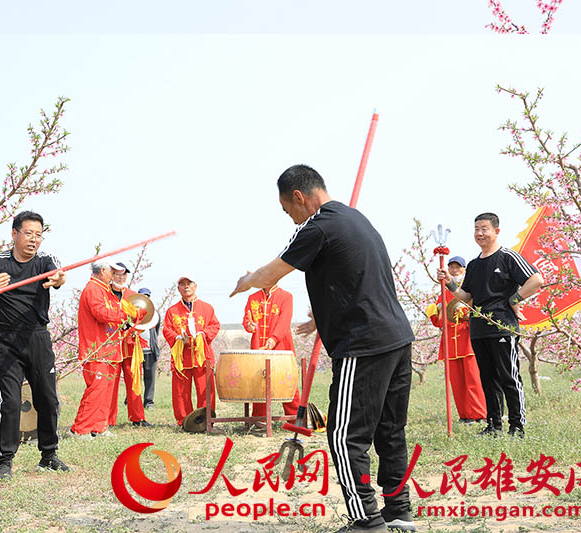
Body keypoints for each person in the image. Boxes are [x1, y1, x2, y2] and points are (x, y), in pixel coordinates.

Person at [231, 165, 416, 533]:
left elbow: (270, 275)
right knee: (389, 430)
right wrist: (321, 319)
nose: (291, 219)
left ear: (298, 197)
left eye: (288, 211)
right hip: (396, 338)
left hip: (362, 345)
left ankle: (367, 521)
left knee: (345, 436)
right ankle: (398, 511)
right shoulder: (354, 219)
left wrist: (246, 280)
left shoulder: (317, 227)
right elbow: (359, 279)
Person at [0, 210, 68, 480]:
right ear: (14, 234)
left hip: (38, 337)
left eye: (38, 235)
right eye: (28, 233)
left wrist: (59, 279)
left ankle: (48, 455)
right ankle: (5, 460)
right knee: (10, 401)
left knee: (47, 398)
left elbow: (59, 276)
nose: (34, 240)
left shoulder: (46, 260)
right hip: (6, 340)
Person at [437, 213, 543, 439]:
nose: (479, 233)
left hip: (502, 326)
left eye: (484, 228)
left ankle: (517, 426)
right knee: (487, 378)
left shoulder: (508, 257)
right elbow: (467, 296)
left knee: (508, 376)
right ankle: (494, 425)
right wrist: (449, 282)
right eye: (476, 229)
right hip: (479, 328)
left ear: (496, 231)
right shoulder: (474, 265)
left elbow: (536, 280)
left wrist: (514, 299)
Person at [70, 260, 139, 438]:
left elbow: (114, 317)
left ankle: (99, 426)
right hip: (96, 349)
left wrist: (127, 320)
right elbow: (100, 313)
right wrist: (126, 315)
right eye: (112, 272)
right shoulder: (93, 289)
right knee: (96, 389)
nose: (114, 276)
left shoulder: (105, 291)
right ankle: (80, 429)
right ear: (102, 271)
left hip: (110, 349)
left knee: (107, 391)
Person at [425, 256, 486, 423]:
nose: (454, 270)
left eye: (457, 267)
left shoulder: (469, 289)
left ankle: (480, 414)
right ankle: (465, 415)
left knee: (473, 380)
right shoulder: (443, 293)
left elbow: (478, 312)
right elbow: (440, 322)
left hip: (468, 341)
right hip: (450, 343)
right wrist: (433, 315)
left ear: (464, 270)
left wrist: (466, 315)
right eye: (451, 267)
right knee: (457, 383)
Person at [162, 274, 220, 427]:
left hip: (202, 356)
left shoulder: (207, 308)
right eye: (182, 284)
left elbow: (214, 326)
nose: (186, 286)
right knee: (181, 391)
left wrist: (203, 335)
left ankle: (207, 419)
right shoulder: (172, 311)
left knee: (205, 389)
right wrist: (178, 339)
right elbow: (167, 330)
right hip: (182, 356)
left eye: (189, 283)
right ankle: (184, 421)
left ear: (196, 286)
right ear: (178, 288)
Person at [242, 285, 302, 424]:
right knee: (258, 381)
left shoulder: (286, 296)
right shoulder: (253, 298)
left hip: (281, 345)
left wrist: (274, 338)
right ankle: (259, 418)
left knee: (286, 380)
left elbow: (285, 321)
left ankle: (295, 418)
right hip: (259, 346)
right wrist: (249, 326)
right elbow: (247, 319)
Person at [108, 262, 151, 427]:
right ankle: (108, 420)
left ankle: (138, 417)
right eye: (118, 274)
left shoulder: (133, 296)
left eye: (124, 274)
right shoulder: (105, 295)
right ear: (111, 275)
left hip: (131, 345)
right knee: (111, 383)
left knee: (134, 381)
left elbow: (145, 317)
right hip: (111, 345)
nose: (121, 277)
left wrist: (136, 329)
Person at [137, 287, 161, 409]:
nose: (144, 298)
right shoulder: (132, 312)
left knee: (150, 378)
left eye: (147, 296)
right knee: (135, 377)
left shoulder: (155, 314)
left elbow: (156, 331)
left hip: (150, 350)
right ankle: (132, 400)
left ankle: (149, 402)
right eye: (142, 296)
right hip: (136, 350)